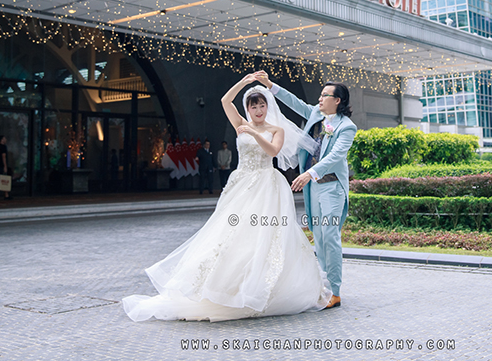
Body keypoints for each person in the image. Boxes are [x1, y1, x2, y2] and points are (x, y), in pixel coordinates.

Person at [122, 74, 331, 322]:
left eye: (262, 104)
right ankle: (225, 286)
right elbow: (224, 100)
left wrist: (254, 134)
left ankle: (262, 286)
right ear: (248, 108)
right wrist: (245, 82)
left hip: (266, 184)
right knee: (229, 232)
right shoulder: (240, 122)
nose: (258, 109)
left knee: (266, 235)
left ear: (268, 106)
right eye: (253, 106)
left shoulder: (277, 129)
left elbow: (273, 151)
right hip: (241, 183)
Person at [257, 70, 356, 309]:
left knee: (330, 236)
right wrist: (270, 85)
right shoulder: (314, 113)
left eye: (324, 95)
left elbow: (335, 156)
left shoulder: (346, 127)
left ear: (337, 100)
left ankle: (335, 291)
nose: (319, 99)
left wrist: (309, 173)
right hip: (314, 189)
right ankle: (322, 285)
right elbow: (295, 102)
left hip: (331, 187)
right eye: (320, 95)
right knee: (318, 236)